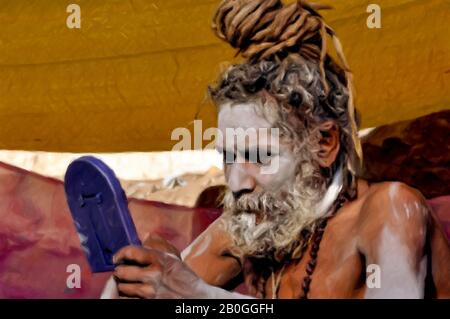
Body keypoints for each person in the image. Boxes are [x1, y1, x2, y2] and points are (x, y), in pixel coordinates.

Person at [103, 0, 450, 299]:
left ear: (323, 144)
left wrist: (198, 294)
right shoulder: (252, 226)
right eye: (227, 158)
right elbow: (174, 287)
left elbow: (191, 294)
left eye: (259, 157)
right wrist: (137, 279)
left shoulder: (391, 210)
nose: (238, 183)